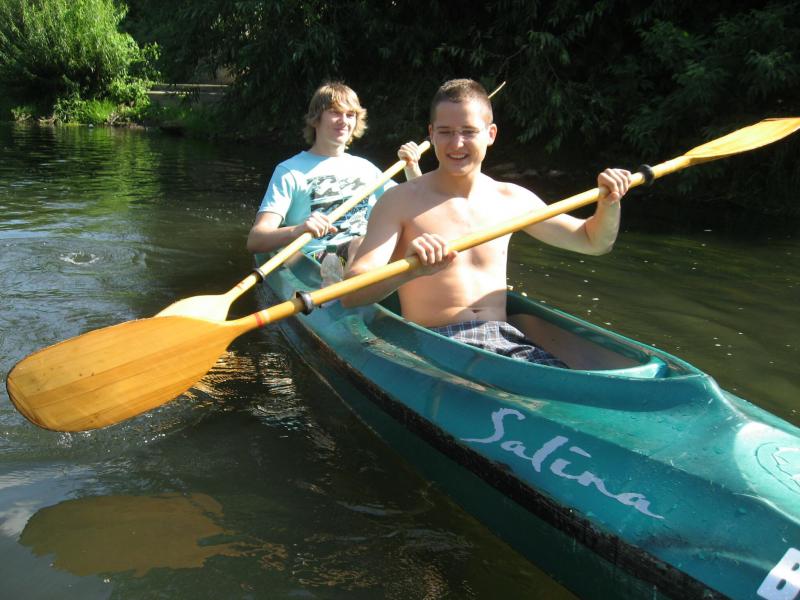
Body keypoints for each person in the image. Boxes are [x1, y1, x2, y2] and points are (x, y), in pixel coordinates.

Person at [341, 78, 633, 367]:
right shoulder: (399, 200)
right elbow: (351, 293)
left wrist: (609, 204)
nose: (456, 143)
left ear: (490, 134)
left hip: (504, 341)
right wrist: (409, 270)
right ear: (431, 134)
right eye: (445, 132)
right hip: (437, 344)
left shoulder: (511, 199)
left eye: (468, 131)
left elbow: (593, 242)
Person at [246, 81, 422, 263]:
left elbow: (419, 205)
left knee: (413, 241)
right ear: (316, 118)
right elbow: (256, 240)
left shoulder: (366, 169)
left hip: (365, 253)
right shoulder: (289, 171)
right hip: (317, 258)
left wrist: (412, 168)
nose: (344, 121)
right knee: (362, 245)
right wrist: (298, 230)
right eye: (335, 112)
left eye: (350, 115)